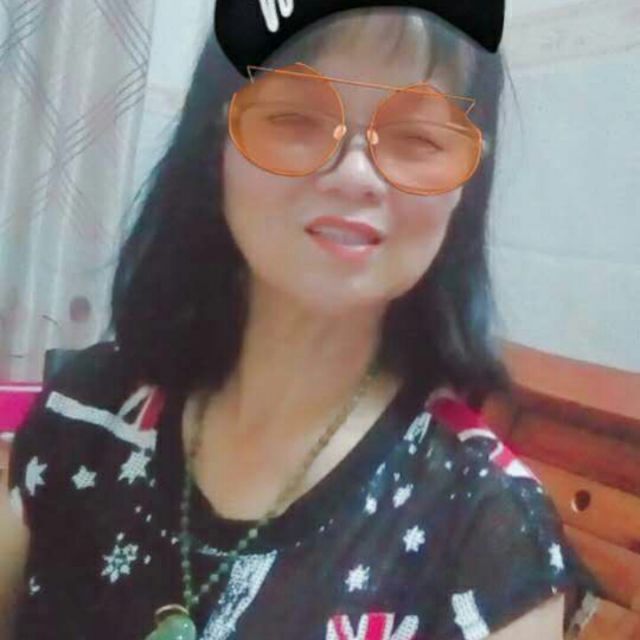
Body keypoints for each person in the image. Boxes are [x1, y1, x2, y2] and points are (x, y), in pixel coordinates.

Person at [1, 2, 600, 639]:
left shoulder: (486, 535)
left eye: (419, 138)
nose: (355, 175)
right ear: (216, 142)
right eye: (294, 117)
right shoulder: (86, 415)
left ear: (465, 185)